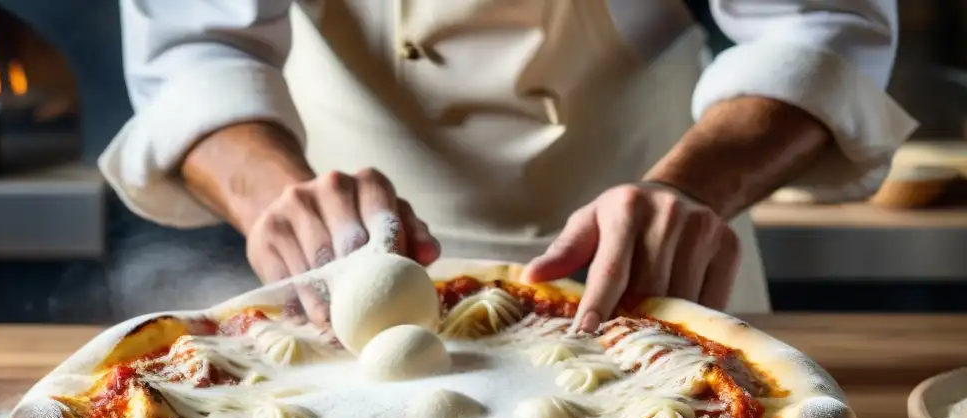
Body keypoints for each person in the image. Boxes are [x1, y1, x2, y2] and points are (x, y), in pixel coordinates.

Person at [100, 0, 915, 326]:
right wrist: (280, 199)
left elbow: (819, 26)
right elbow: (197, 47)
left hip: (650, 255)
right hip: (347, 273)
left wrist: (686, 189)